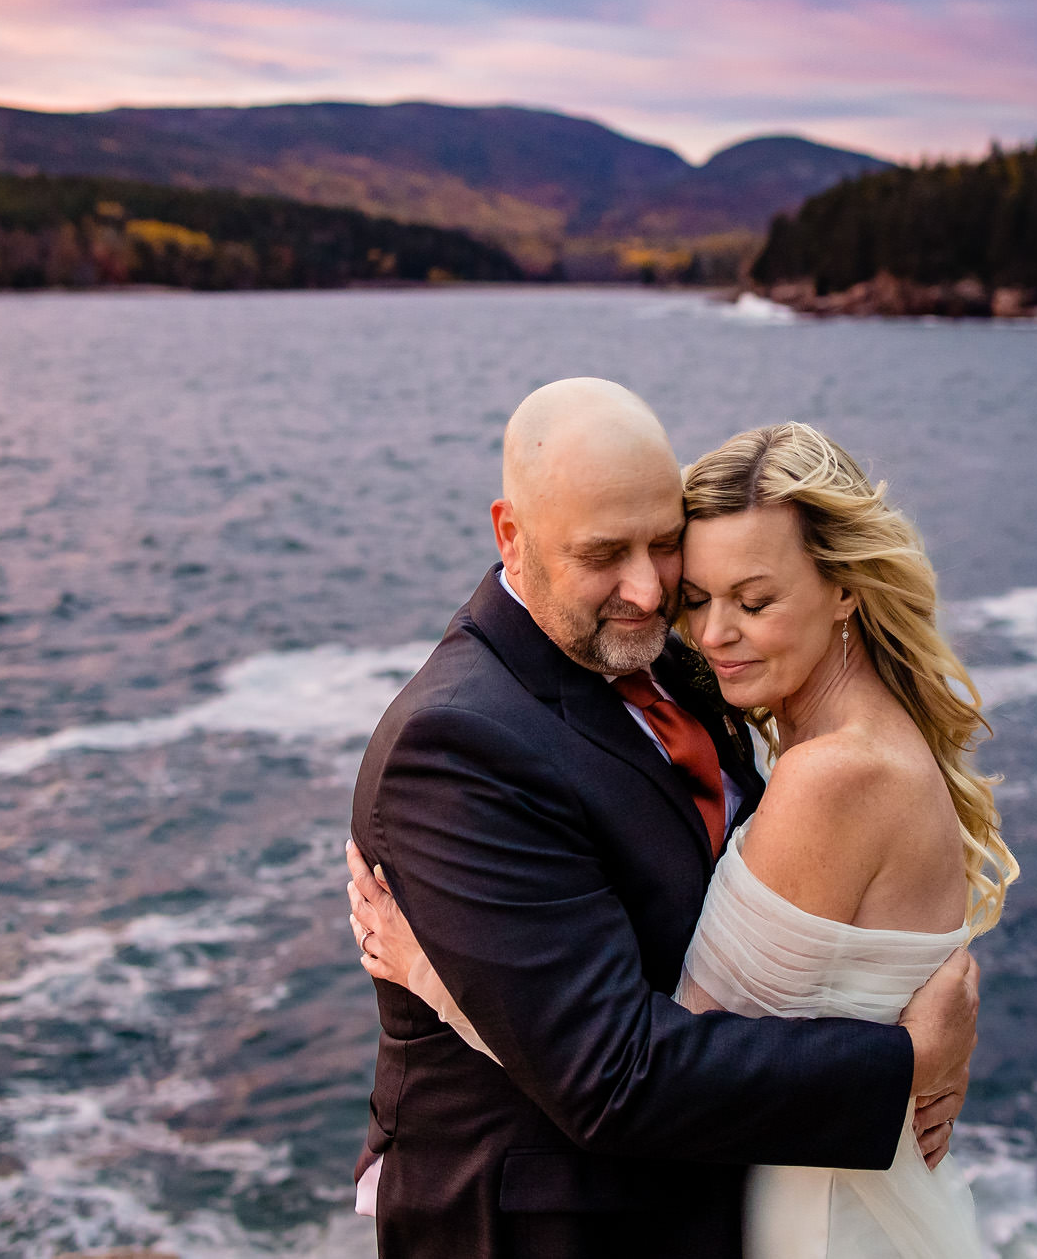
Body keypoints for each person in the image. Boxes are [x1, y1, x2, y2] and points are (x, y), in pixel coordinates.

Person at [345, 380, 988, 1259]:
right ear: (511, 535)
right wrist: (906, 1061)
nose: (651, 593)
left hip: (736, 1202)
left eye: (663, 545)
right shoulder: (458, 743)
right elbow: (616, 1078)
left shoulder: (680, 666)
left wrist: (449, 987)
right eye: (606, 553)